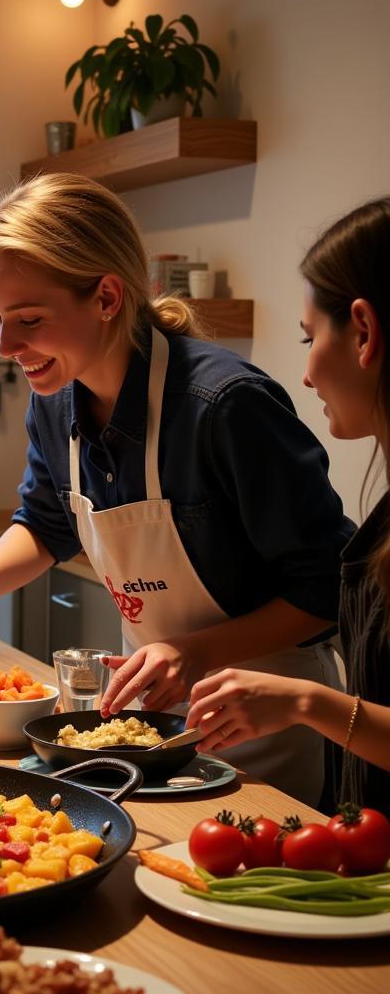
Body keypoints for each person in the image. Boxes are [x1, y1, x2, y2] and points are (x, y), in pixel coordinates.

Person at [0, 172, 353, 806]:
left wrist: (192, 652)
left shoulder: (223, 406)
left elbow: (329, 583)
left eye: (28, 318)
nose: (5, 345)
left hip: (266, 725)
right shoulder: (57, 403)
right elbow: (48, 524)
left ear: (108, 297)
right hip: (147, 722)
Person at [187, 197, 390, 812]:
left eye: (309, 337)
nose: (305, 374)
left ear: (363, 330)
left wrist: (307, 701)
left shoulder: (225, 400)